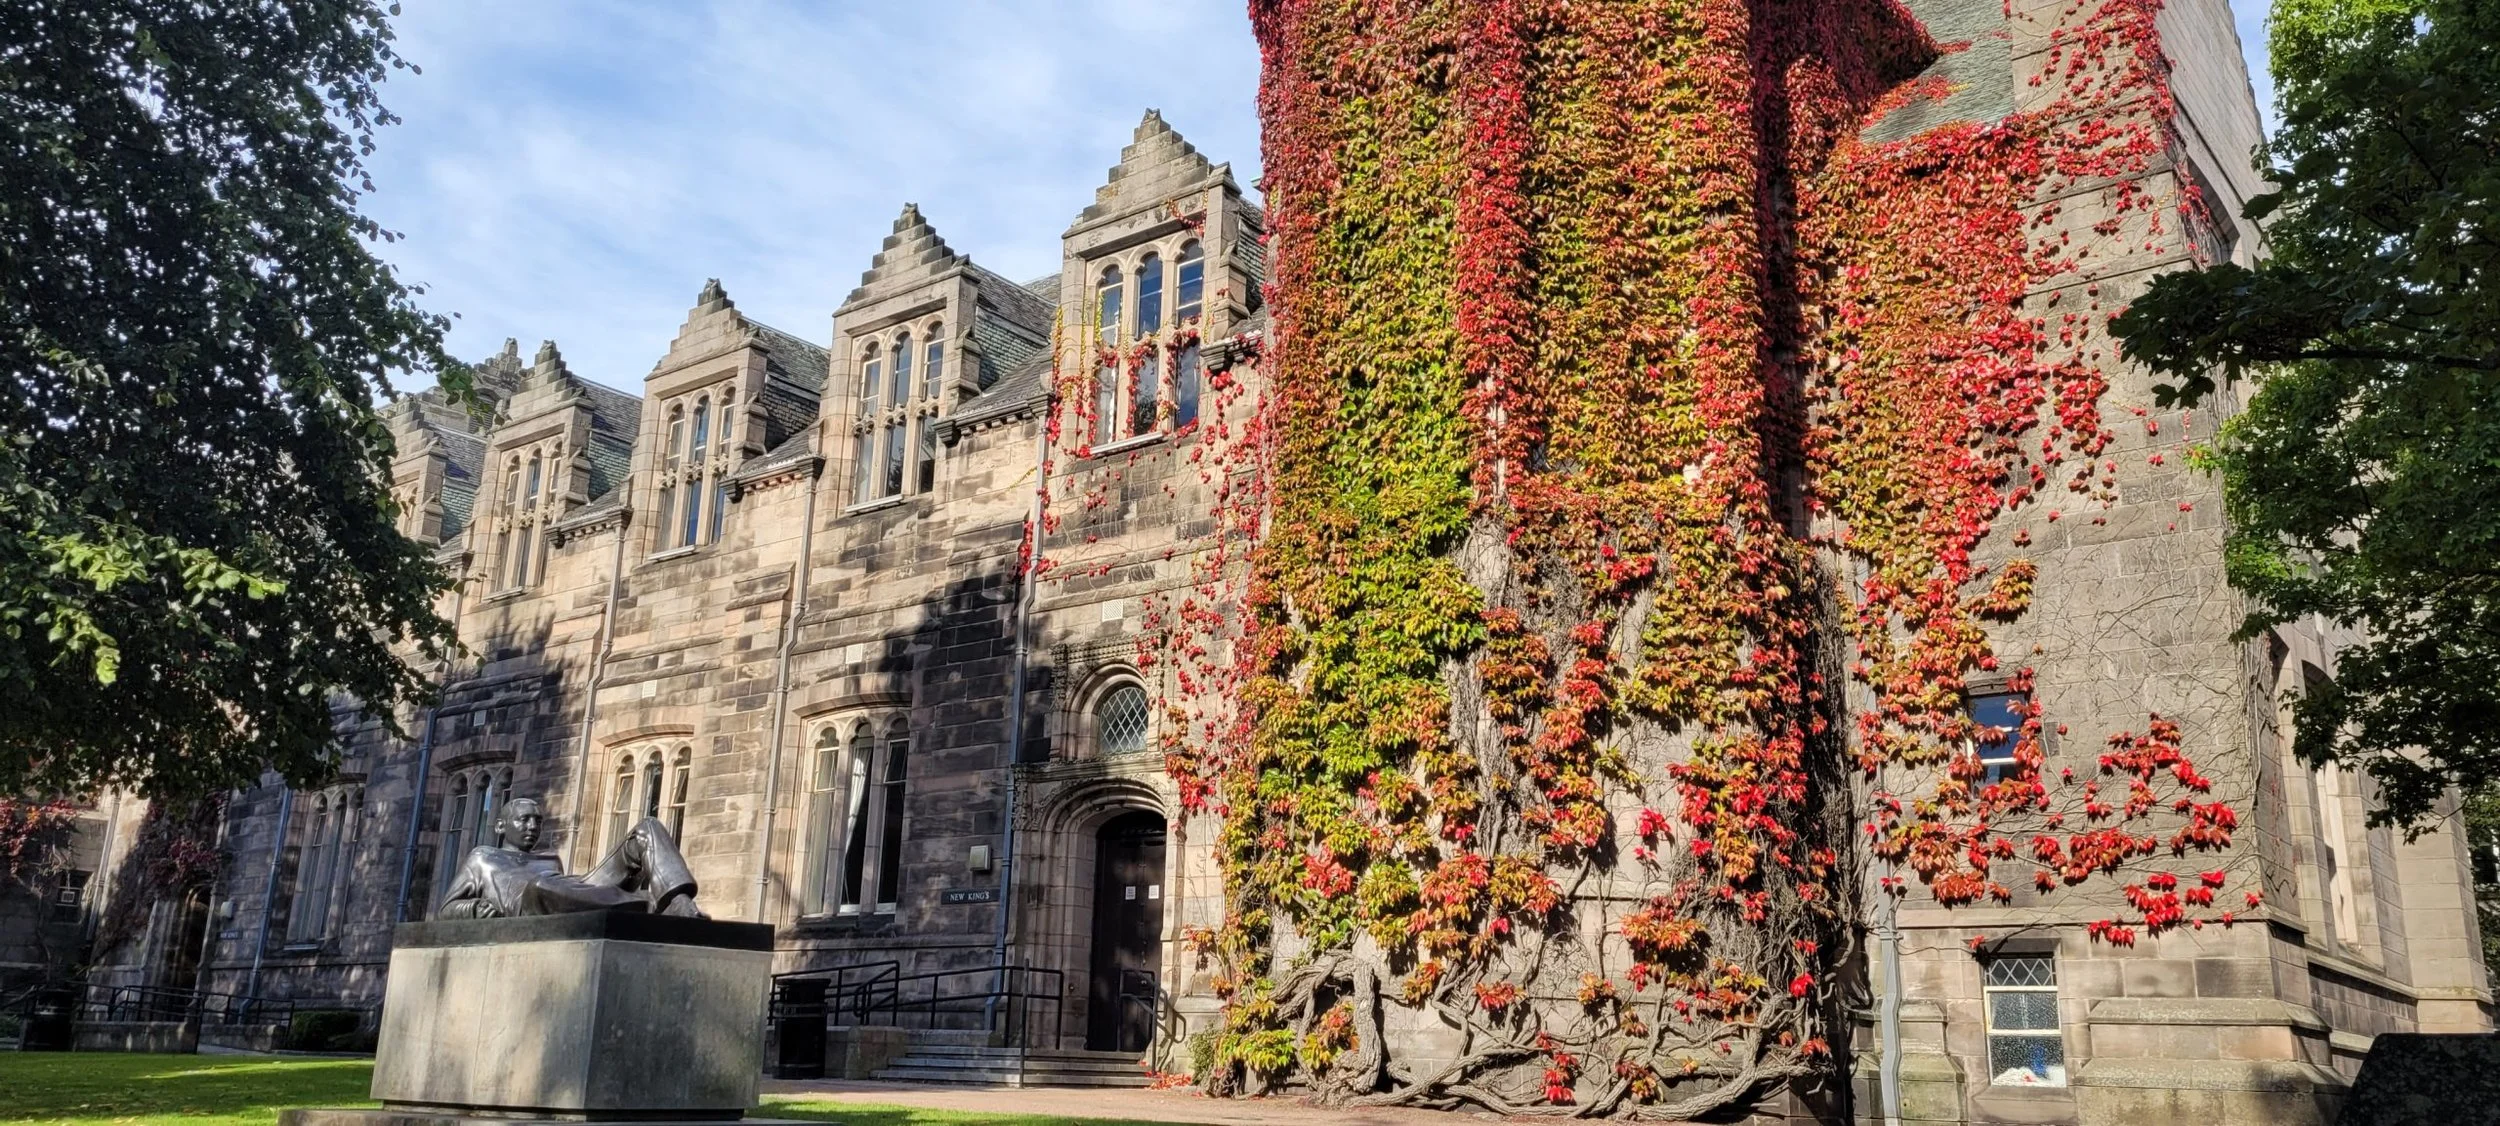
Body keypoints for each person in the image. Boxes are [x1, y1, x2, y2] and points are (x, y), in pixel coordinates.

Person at [436, 797, 706, 919]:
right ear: (500, 826)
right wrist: (474, 909)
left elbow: (573, 893)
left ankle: (676, 900)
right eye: (524, 820)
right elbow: (447, 908)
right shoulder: (483, 857)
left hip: (570, 890)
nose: (532, 826)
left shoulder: (549, 860)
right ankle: (648, 903)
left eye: (537, 821)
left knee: (647, 827)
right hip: (528, 904)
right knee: (541, 884)